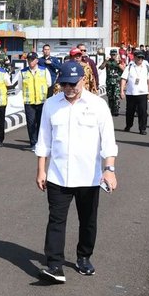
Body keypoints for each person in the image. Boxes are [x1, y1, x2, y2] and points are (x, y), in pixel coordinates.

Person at [35, 61, 118, 283]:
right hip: (58, 175)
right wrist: (41, 170)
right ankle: (54, 265)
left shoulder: (98, 105)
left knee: (88, 220)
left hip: (88, 177)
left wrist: (109, 169)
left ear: (83, 80)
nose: (69, 88)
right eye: (64, 84)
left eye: (73, 84)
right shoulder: (51, 105)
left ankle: (84, 257)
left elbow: (108, 142)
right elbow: (44, 141)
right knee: (56, 220)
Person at [18, 51, 52, 150]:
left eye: (32, 60)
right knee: (31, 123)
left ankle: (40, 142)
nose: (30, 62)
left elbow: (49, 83)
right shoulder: (23, 72)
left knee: (41, 122)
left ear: (37, 60)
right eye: (29, 60)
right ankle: (33, 143)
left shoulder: (44, 70)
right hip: (29, 102)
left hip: (41, 101)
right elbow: (20, 86)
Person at [120, 50, 149, 135]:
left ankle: (142, 128)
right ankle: (128, 125)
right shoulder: (130, 66)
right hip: (131, 93)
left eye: (142, 57)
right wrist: (121, 91)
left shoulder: (146, 66)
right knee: (129, 112)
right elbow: (124, 79)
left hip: (142, 93)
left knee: (143, 112)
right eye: (138, 57)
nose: (140, 59)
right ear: (134, 57)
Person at [99, 49, 125, 116]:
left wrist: (118, 63)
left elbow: (124, 69)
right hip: (109, 81)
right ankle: (111, 108)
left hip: (116, 81)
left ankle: (116, 109)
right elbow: (101, 67)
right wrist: (105, 61)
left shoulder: (119, 61)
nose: (113, 56)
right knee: (110, 96)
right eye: (112, 54)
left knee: (116, 96)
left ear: (116, 55)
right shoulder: (108, 61)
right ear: (110, 55)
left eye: (114, 54)